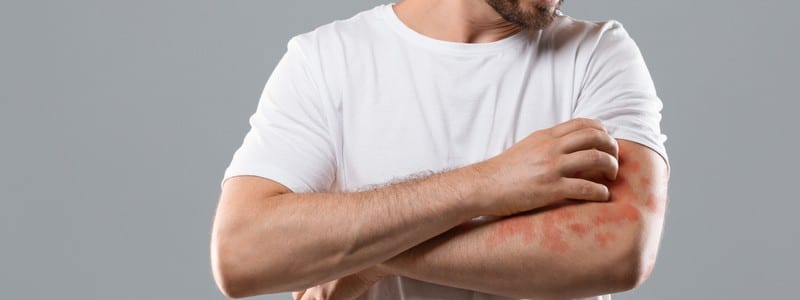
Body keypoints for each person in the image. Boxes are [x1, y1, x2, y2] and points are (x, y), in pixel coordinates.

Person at [210, 0, 670, 299]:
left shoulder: (598, 54)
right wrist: (490, 183)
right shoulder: (326, 60)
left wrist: (371, 254)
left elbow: (618, 251)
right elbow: (242, 254)